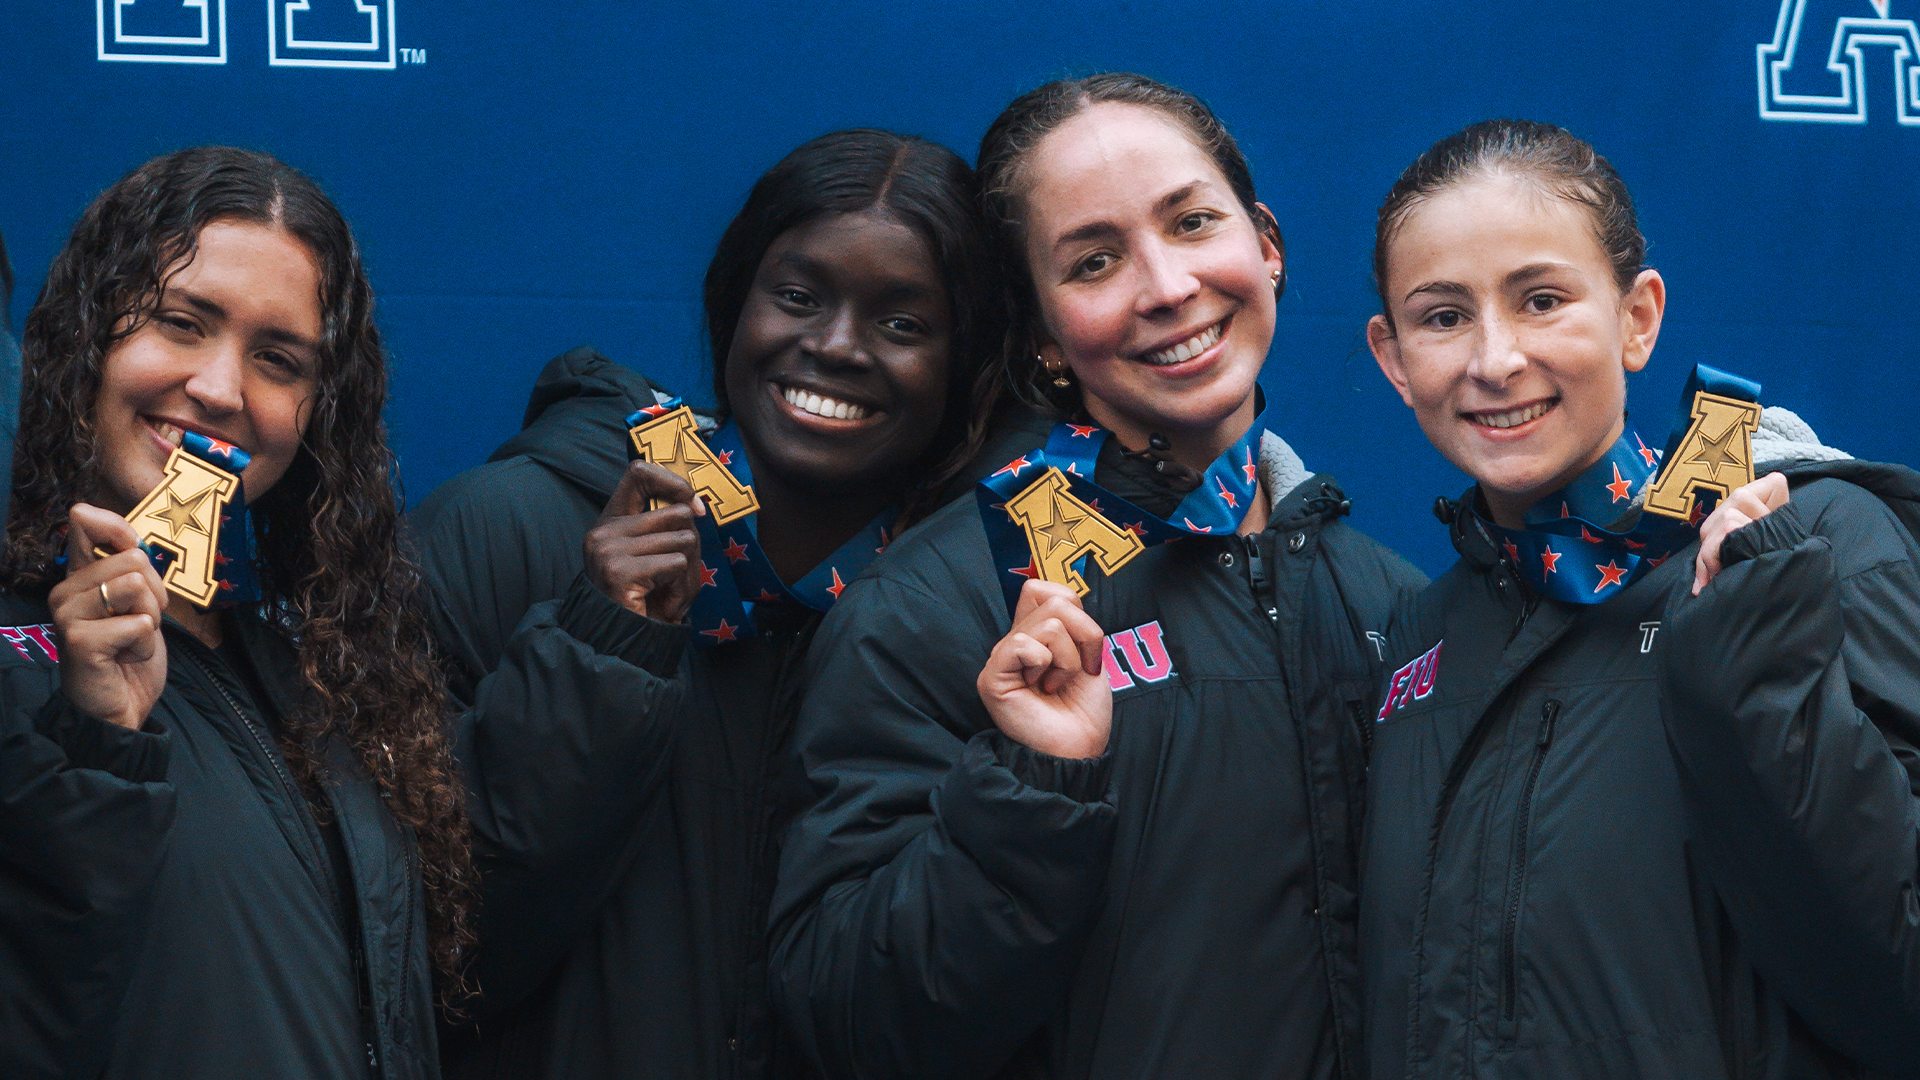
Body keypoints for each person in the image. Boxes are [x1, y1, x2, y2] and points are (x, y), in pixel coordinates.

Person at [769, 73, 1427, 1080]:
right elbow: (849, 1026)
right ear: (1040, 333)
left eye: (1194, 222)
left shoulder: (1389, 599)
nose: (1166, 287)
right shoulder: (942, 606)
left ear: (1268, 244)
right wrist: (1034, 786)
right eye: (1095, 259)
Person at [415, 128, 1014, 1079]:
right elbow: (410, 957)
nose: (836, 346)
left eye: (904, 324)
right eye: (799, 297)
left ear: (968, 365)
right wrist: (600, 647)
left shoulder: (983, 615)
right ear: (735, 301)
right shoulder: (508, 531)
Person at [1360, 118, 1920, 1078]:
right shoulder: (1419, 630)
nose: (1494, 360)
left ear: (1638, 318)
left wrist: (1755, 650)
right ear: (1393, 356)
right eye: (1444, 316)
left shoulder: (1819, 545)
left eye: (1541, 299)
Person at [0, 147, 474, 1080]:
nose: (220, 389)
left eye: (278, 359)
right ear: (89, 337)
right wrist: (98, 741)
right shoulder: (15, 654)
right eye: (181, 323)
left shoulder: (322, 672)